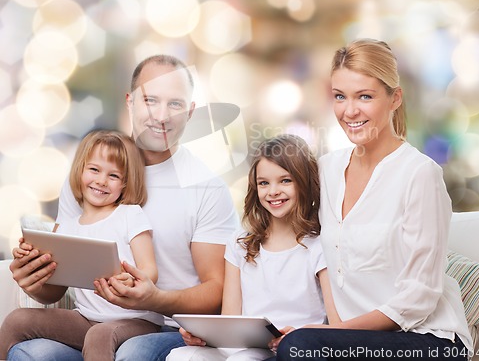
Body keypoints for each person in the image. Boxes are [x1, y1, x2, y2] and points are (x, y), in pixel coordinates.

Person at [7, 55, 238, 361]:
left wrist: (157, 299)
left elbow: (217, 290)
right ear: (130, 102)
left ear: (191, 112)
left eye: (175, 104)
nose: (161, 115)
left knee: (130, 352)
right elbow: (57, 285)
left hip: (170, 328)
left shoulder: (207, 189)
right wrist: (36, 280)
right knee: (30, 353)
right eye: (150, 100)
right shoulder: (88, 178)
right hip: (91, 322)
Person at [273, 39, 473, 361]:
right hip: (352, 339)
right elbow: (297, 247)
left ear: (394, 99)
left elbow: (419, 298)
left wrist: (331, 334)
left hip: (427, 340)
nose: (349, 111)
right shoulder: (326, 170)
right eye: (340, 97)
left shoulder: (419, 174)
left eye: (364, 96)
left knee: (302, 348)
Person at [167, 134, 339, 361]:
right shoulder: (240, 243)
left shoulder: (319, 244)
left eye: (285, 180)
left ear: (304, 182)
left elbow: (336, 325)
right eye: (264, 183)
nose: (273, 191)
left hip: (296, 349)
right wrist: (203, 336)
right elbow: (230, 319)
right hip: (247, 348)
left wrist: (297, 336)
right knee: (181, 356)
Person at [0, 129, 162, 361]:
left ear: (125, 184)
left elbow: (150, 270)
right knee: (17, 320)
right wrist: (32, 267)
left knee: (99, 335)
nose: (101, 181)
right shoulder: (67, 227)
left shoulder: (129, 215)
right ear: (80, 171)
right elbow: (55, 288)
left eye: (114, 176)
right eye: (94, 169)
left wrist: (134, 280)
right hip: (86, 319)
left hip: (136, 321)